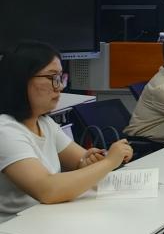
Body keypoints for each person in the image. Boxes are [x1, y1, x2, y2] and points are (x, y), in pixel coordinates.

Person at [0, 41, 133, 222]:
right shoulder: (5, 130)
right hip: (17, 229)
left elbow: (80, 161)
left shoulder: (44, 123)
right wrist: (109, 162)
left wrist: (91, 161)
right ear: (21, 80)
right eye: (52, 77)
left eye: (61, 77)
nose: (60, 86)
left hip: (47, 218)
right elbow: (48, 190)